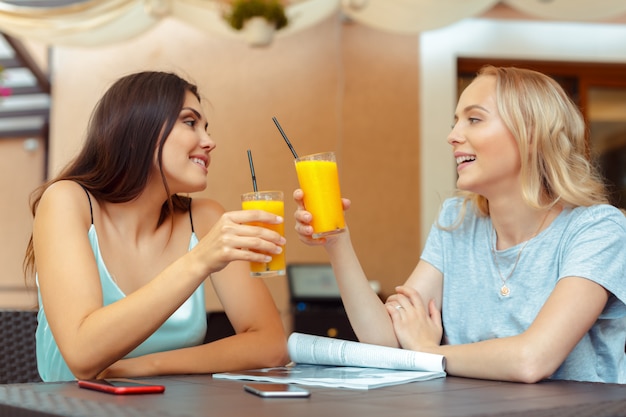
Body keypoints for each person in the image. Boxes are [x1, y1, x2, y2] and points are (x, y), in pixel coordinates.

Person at [293, 65, 626, 383]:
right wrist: (338, 242)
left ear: (531, 135)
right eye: (456, 122)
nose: (453, 136)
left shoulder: (597, 230)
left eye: (474, 119)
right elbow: (387, 342)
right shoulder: (457, 220)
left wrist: (427, 352)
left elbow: (532, 359)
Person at [23, 71, 289, 382]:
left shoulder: (204, 218)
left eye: (206, 128)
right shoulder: (68, 202)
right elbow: (83, 354)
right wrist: (198, 260)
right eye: (190, 123)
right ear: (137, 131)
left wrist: (142, 367)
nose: (209, 142)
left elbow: (270, 345)